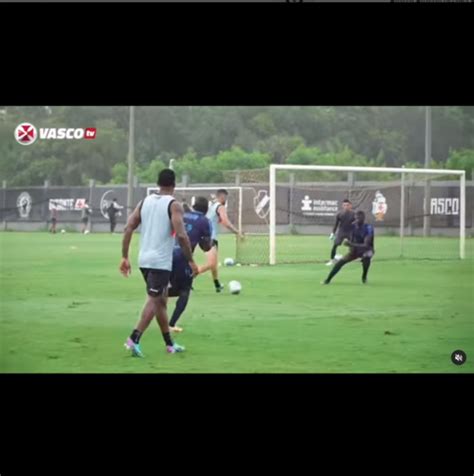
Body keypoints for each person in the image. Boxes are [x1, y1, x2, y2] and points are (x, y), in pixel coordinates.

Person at [120, 169, 199, 358]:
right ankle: (133, 339)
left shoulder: (144, 202)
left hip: (144, 260)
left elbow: (128, 227)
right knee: (154, 301)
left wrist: (124, 256)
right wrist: (191, 260)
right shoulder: (174, 205)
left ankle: (170, 344)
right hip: (160, 262)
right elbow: (181, 235)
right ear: (174, 185)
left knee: (161, 301)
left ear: (158, 183)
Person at [168, 196, 212, 333]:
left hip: (167, 254)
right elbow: (206, 247)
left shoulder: (182, 214)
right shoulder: (205, 221)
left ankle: (156, 295)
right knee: (184, 291)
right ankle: (171, 324)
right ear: (206, 209)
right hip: (183, 257)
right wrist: (210, 243)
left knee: (172, 287)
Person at [198, 189, 244, 292]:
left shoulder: (213, 206)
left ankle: (217, 284)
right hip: (209, 238)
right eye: (225, 197)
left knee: (213, 264)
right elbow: (225, 222)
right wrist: (237, 232)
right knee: (211, 264)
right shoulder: (220, 207)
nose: (226, 200)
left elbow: (220, 221)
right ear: (222, 197)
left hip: (206, 238)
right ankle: (190, 276)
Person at [323, 210, 374, 285]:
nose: (356, 220)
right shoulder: (353, 226)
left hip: (366, 249)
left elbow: (366, 244)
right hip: (355, 249)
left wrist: (351, 244)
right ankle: (327, 280)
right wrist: (350, 245)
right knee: (340, 263)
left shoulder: (368, 228)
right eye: (356, 218)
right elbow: (351, 237)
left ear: (363, 218)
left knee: (367, 256)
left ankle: (364, 276)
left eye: (358, 218)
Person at [326, 199, 355, 266]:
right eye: (344, 205)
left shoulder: (353, 214)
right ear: (342, 206)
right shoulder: (339, 214)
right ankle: (332, 260)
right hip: (341, 232)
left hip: (350, 232)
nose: (346, 206)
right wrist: (332, 233)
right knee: (335, 245)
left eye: (347, 205)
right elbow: (336, 224)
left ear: (350, 206)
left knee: (354, 246)